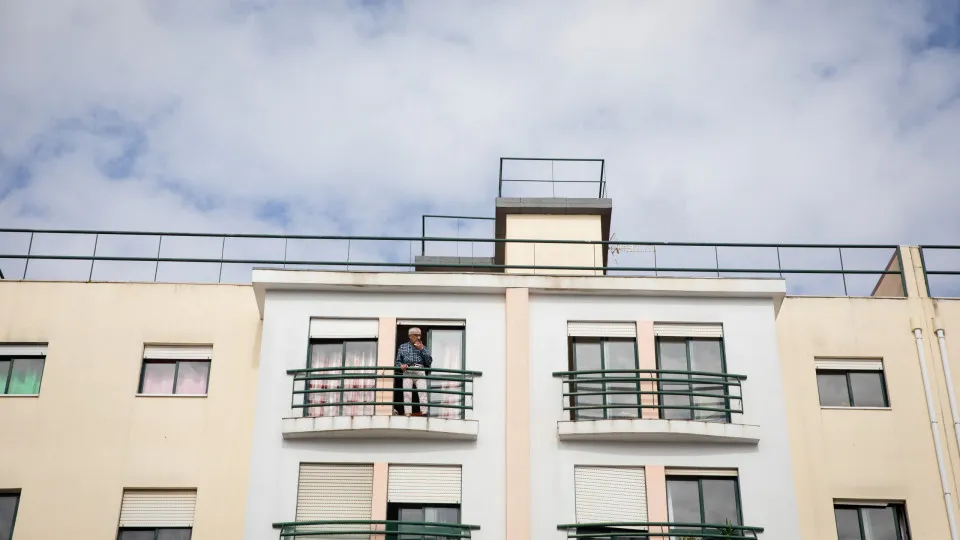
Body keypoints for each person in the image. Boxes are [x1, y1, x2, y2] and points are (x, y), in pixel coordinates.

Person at [395, 327, 433, 416]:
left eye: (419, 335)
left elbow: (429, 362)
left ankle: (424, 412)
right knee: (407, 393)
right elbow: (397, 362)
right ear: (410, 336)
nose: (418, 337)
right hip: (407, 370)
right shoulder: (403, 347)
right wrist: (401, 366)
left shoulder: (424, 348)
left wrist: (422, 349)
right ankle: (408, 413)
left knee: (422, 392)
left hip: (420, 370)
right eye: (416, 335)